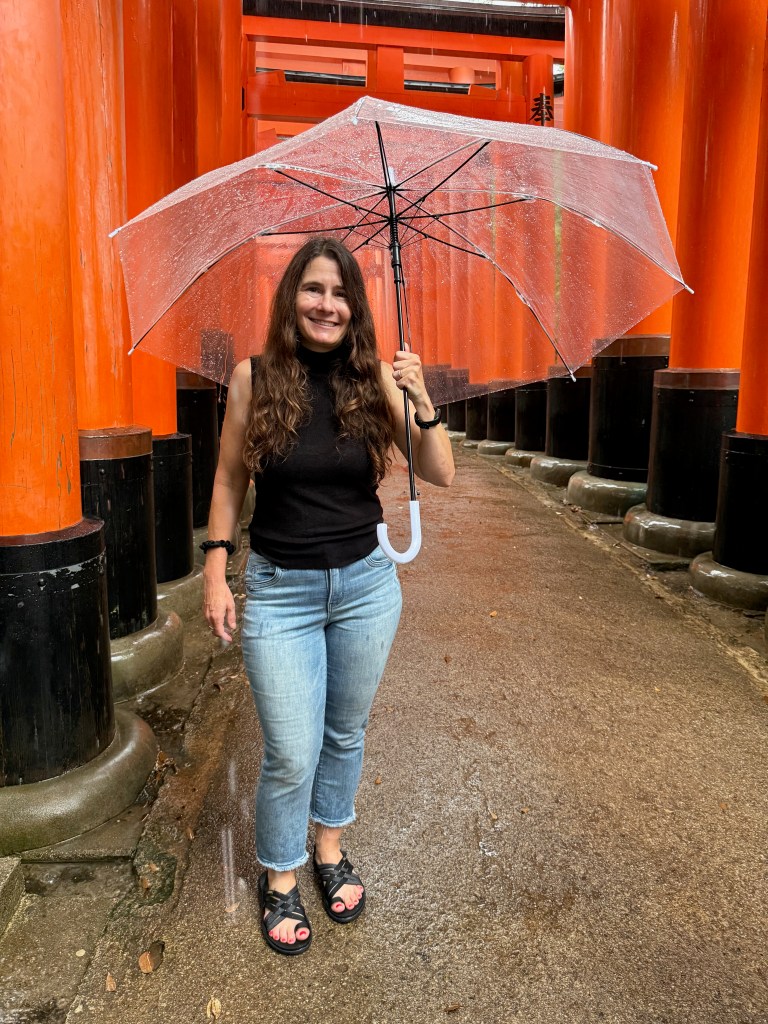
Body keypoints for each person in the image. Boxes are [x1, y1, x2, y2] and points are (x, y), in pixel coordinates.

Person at [202, 236, 454, 956]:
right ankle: (280, 876)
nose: (328, 305)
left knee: (345, 732)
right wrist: (216, 571)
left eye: (341, 294)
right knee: (289, 747)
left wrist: (421, 398)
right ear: (292, 298)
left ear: (357, 307)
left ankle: (329, 844)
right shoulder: (255, 378)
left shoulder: (376, 377)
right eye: (314, 289)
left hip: (367, 585)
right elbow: (227, 479)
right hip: (281, 589)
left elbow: (441, 473)